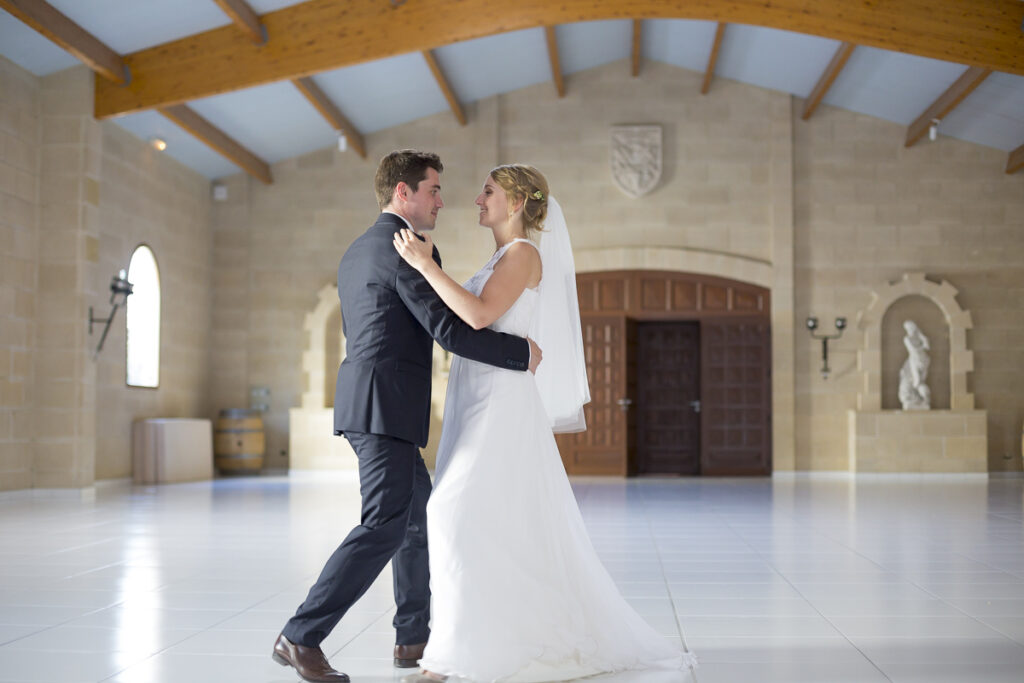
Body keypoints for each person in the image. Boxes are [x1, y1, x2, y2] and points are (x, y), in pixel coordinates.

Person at [393, 164, 697, 682]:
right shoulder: (499, 256)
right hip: (475, 398)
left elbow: (479, 315)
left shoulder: (523, 254)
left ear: (514, 203)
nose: (475, 199)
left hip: (499, 404)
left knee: (451, 511)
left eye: (487, 191)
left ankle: (451, 653)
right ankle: (476, 641)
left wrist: (425, 267)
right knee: (487, 521)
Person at [272, 150, 542, 683]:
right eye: (433, 190)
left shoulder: (361, 247)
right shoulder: (404, 249)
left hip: (374, 404)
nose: (442, 200)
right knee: (383, 524)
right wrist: (519, 355)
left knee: (416, 521)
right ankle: (300, 636)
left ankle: (411, 637)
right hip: (382, 408)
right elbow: (449, 328)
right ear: (403, 193)